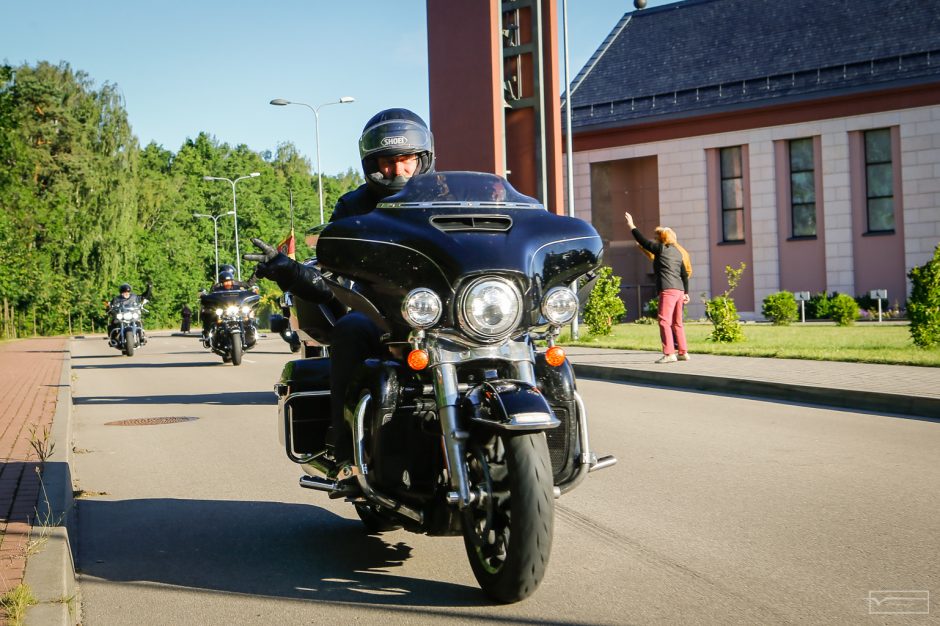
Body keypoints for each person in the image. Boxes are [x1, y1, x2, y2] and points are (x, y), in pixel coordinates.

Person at [244, 108, 434, 478]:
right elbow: (331, 270)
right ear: (372, 162)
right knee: (350, 331)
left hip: (445, 311)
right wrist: (288, 270)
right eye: (388, 161)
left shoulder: (447, 195)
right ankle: (344, 445)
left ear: (422, 158)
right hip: (381, 314)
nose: (398, 171)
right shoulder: (353, 206)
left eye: (407, 160)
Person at [624, 212, 692, 363]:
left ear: (661, 239)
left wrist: (632, 225)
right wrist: (686, 293)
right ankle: (683, 352)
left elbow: (642, 240)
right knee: (677, 323)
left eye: (656, 237)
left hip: (668, 289)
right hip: (679, 290)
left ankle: (669, 354)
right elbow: (684, 275)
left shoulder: (661, 249)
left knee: (663, 321)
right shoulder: (677, 252)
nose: (654, 239)